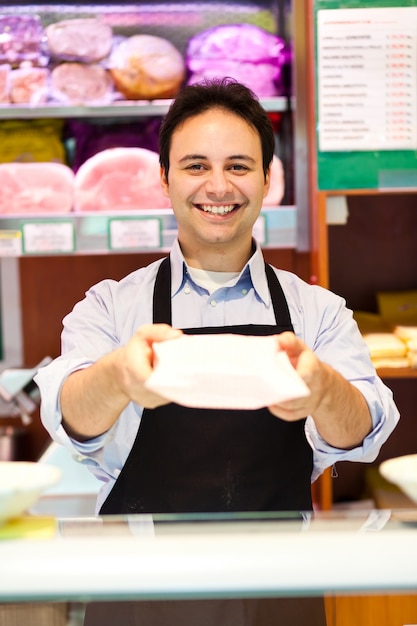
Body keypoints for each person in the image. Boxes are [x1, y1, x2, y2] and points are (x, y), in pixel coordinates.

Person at [35, 78, 399, 626]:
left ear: (267, 179)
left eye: (238, 165)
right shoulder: (110, 307)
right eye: (196, 165)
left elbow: (361, 428)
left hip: (279, 590)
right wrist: (117, 378)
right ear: (165, 179)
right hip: (138, 590)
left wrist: (322, 389)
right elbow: (72, 416)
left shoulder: (318, 311)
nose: (218, 186)